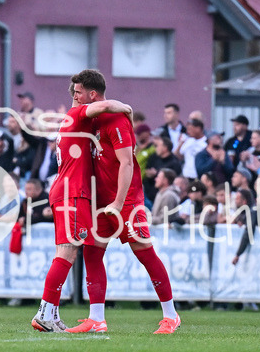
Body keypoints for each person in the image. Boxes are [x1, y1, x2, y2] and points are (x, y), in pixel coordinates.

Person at [68, 72, 180, 334]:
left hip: (125, 200)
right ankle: (96, 318)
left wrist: (119, 202)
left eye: (78, 92)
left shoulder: (116, 120)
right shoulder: (89, 119)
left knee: (145, 254)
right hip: (100, 200)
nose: (74, 96)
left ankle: (171, 315)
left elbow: (127, 163)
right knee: (92, 253)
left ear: (92, 95)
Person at [31, 69, 132, 332]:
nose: (75, 97)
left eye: (77, 92)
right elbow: (108, 105)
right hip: (72, 192)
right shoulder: (77, 113)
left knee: (64, 252)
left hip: (64, 191)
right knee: (68, 252)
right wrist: (127, 109)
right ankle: (44, 312)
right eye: (75, 93)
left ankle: (50, 313)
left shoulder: (71, 121)